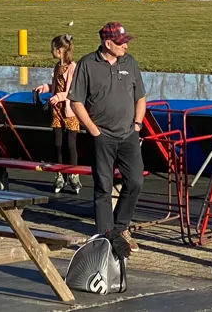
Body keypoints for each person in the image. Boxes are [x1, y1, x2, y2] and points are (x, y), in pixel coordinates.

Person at [69, 22, 146, 252]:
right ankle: (105, 235)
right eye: (121, 42)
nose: (125, 46)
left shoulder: (129, 62)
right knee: (103, 185)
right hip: (102, 135)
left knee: (135, 181)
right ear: (107, 43)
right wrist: (93, 130)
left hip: (128, 134)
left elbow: (140, 97)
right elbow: (75, 101)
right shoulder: (87, 64)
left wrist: (137, 125)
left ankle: (121, 226)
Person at [32, 34, 81, 194]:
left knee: (71, 144)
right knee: (58, 143)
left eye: (52, 49)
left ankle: (73, 173)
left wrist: (59, 97)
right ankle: (59, 174)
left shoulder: (73, 67)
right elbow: (56, 86)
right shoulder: (56, 67)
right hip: (56, 110)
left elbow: (72, 91)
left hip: (69, 110)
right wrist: (44, 88)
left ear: (59, 50)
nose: (51, 51)